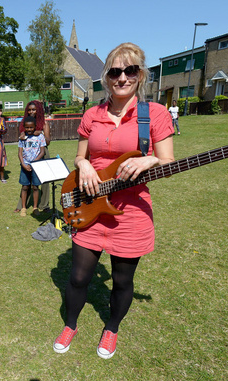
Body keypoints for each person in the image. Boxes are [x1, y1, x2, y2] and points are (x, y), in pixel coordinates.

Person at [53, 43, 174, 359]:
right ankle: (70, 324)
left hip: (131, 212)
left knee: (122, 280)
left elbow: (167, 160)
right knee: (78, 276)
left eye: (130, 70)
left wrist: (149, 161)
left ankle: (112, 328)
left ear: (140, 74)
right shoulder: (92, 114)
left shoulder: (155, 114)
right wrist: (83, 165)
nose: (122, 77)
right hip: (89, 204)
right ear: (106, 77)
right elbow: (80, 155)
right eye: (115, 71)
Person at [15, 100, 51, 212]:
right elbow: (22, 139)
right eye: (29, 109)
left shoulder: (44, 123)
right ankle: (22, 205)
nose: (31, 111)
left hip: (41, 152)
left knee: (44, 180)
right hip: (28, 153)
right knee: (26, 181)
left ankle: (44, 205)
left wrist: (39, 132)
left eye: (34, 109)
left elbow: (48, 141)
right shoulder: (24, 122)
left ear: (38, 110)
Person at [18, 116, 45, 217]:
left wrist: (34, 163)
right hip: (25, 165)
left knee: (35, 187)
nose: (29, 130)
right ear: (24, 127)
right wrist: (23, 165)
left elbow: (42, 152)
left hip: (36, 166)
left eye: (31, 127)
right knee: (25, 187)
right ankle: (24, 207)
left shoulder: (40, 137)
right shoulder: (22, 137)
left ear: (35, 127)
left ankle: (35, 207)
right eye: (27, 127)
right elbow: (20, 153)